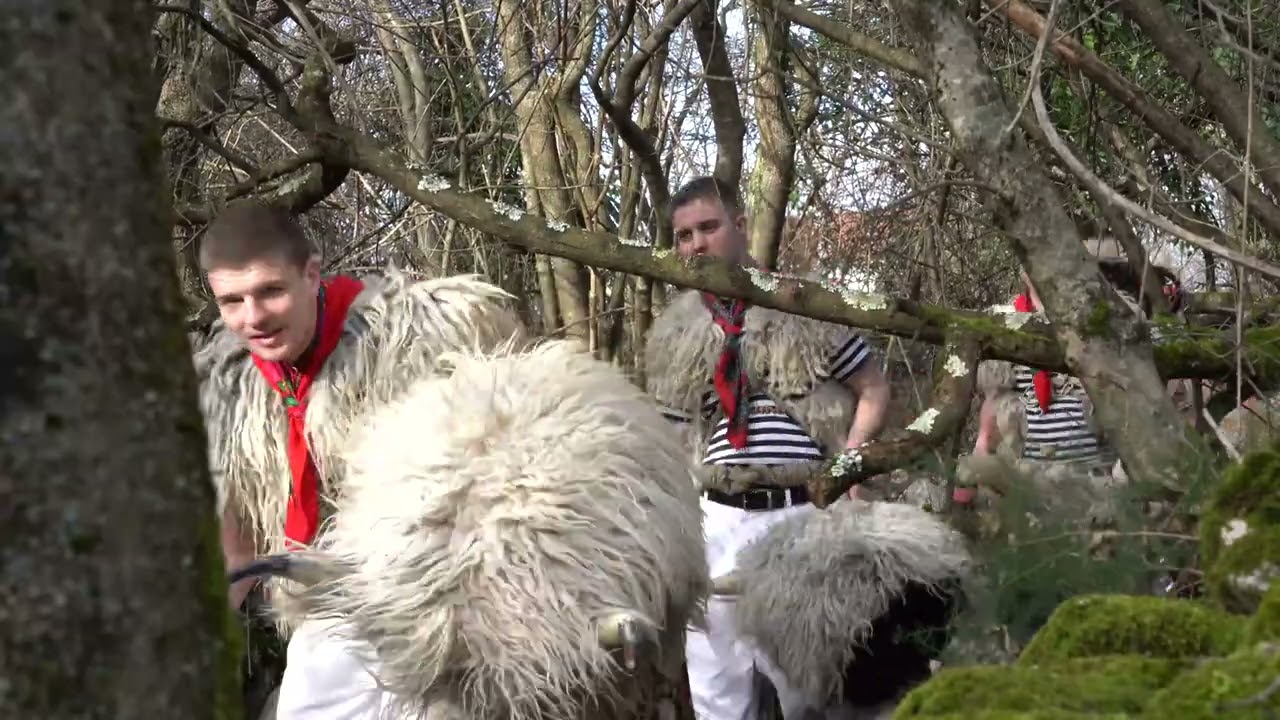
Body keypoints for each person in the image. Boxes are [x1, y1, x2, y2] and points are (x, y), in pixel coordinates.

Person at [191, 201, 527, 719]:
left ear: (312, 273)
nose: (252, 318)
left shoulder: (422, 340)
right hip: (336, 610)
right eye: (231, 301)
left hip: (458, 589)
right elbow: (238, 546)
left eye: (270, 291)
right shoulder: (233, 389)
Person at [643, 176, 893, 720]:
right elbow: (666, 436)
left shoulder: (803, 305)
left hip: (800, 513)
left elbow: (872, 387)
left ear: (739, 225)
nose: (696, 245)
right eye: (684, 236)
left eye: (708, 228)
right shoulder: (675, 333)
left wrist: (849, 465)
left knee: (810, 690)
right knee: (719, 696)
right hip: (713, 522)